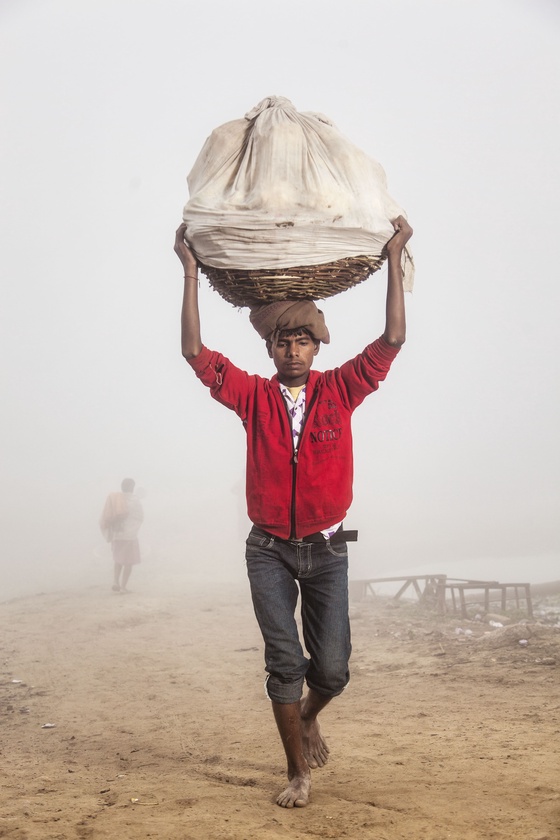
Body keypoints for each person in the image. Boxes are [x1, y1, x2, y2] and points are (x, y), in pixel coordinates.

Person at [174, 216, 412, 808]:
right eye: (283, 340)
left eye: (302, 339)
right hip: (269, 549)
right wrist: (189, 273)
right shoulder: (253, 396)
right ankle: (297, 772)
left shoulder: (342, 389)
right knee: (284, 662)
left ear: (316, 344)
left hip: (329, 549)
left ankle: (310, 715)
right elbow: (194, 353)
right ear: (270, 346)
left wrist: (395, 259)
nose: (293, 349)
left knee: (331, 671)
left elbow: (393, 341)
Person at [99, 478, 144, 593]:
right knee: (129, 562)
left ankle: (115, 581)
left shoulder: (115, 499)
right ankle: (123, 587)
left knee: (118, 559)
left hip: (117, 534)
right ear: (132, 488)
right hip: (130, 535)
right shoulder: (135, 500)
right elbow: (140, 517)